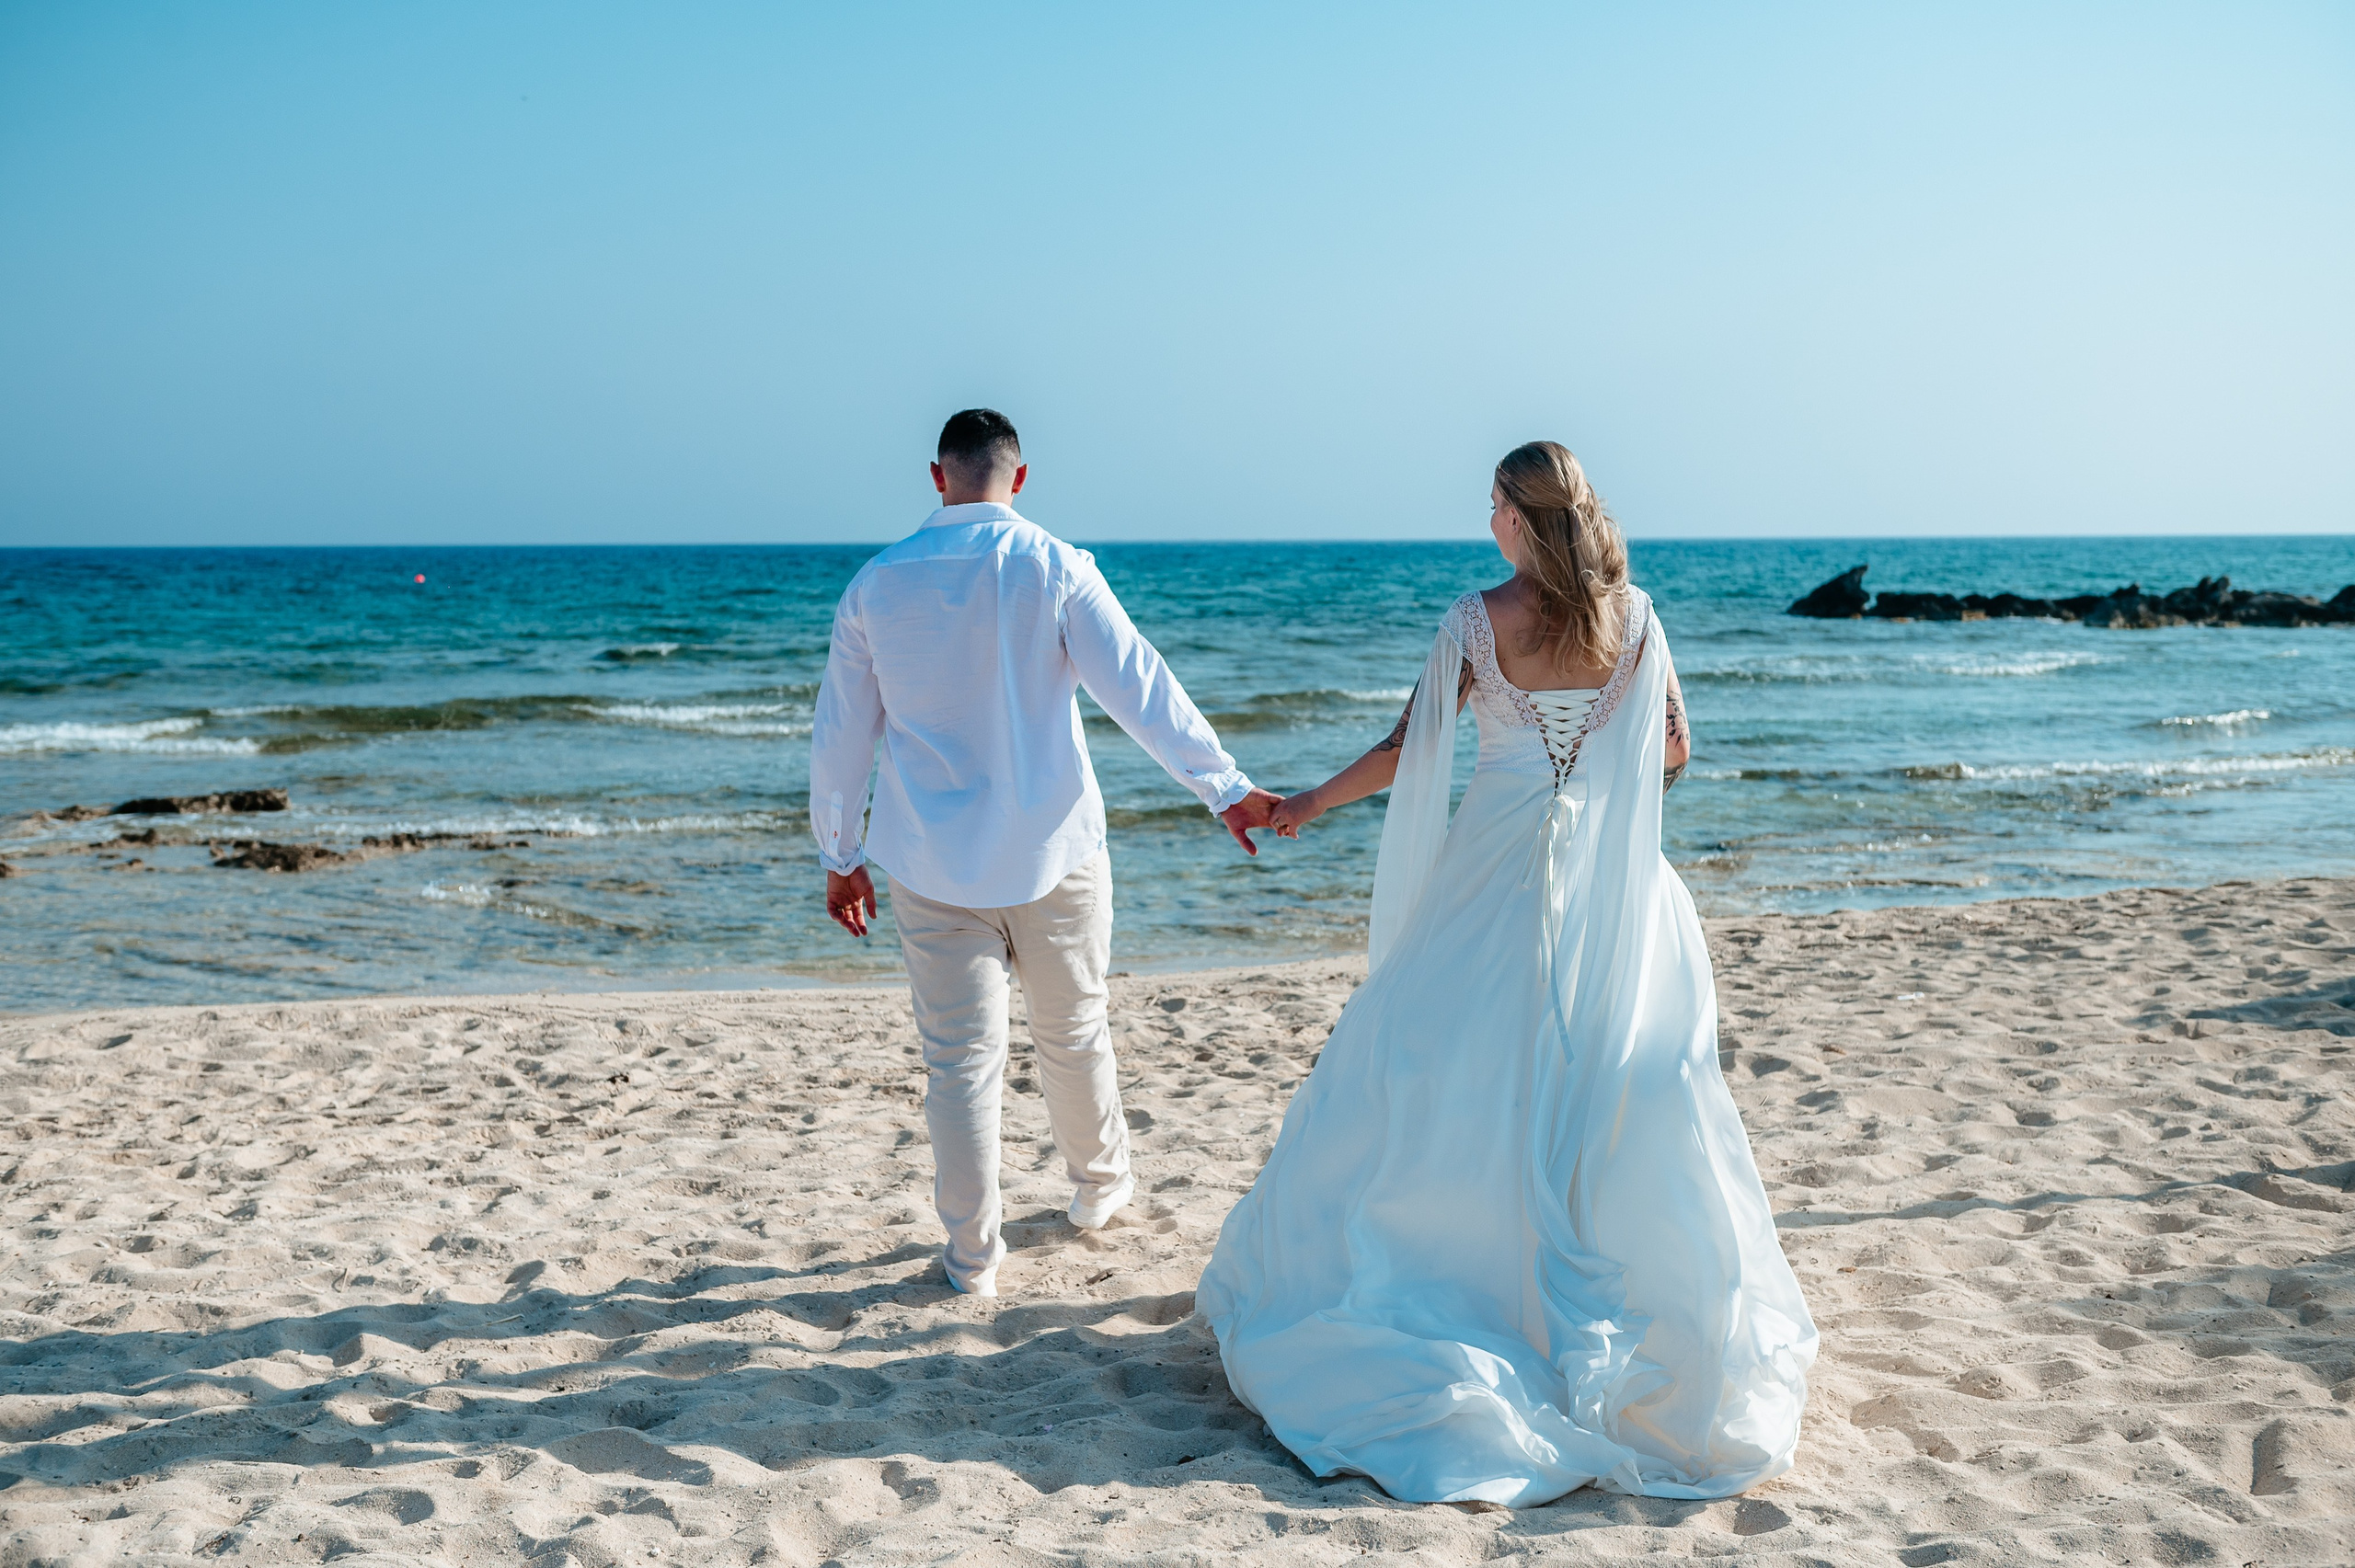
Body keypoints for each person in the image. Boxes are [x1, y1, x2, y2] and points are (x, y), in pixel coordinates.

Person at [1196, 441, 1816, 1505]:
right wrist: (1589, 758)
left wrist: (1301, 801)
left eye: (1492, 506)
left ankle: (1458, 1288)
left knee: (1441, 1076)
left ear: (1520, 522)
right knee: (1612, 1088)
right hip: (1613, 891)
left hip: (1491, 877)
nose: (1486, 522)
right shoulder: (1638, 616)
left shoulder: (1478, 620)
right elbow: (1670, 750)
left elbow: (1408, 744)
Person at [809, 408, 1282, 1299]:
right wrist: (1221, 786)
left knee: (957, 1060)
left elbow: (841, 735)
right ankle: (1099, 1192)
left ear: (937, 476)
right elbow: (1137, 684)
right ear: (1017, 479)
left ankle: (972, 1260)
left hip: (929, 863)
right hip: (1055, 850)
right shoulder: (1055, 566)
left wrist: (839, 853)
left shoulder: (874, 587)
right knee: (1074, 1030)